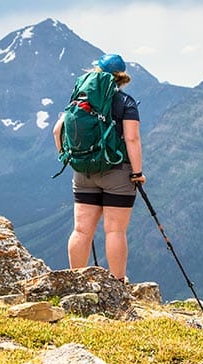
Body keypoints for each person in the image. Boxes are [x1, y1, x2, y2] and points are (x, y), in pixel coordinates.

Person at [53, 53, 145, 282]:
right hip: (117, 172)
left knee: (82, 230)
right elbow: (132, 139)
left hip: (83, 170)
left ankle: (75, 282)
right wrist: (137, 172)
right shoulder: (125, 102)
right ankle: (117, 284)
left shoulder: (81, 99)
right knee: (114, 231)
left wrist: (69, 158)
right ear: (122, 77)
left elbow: (57, 131)